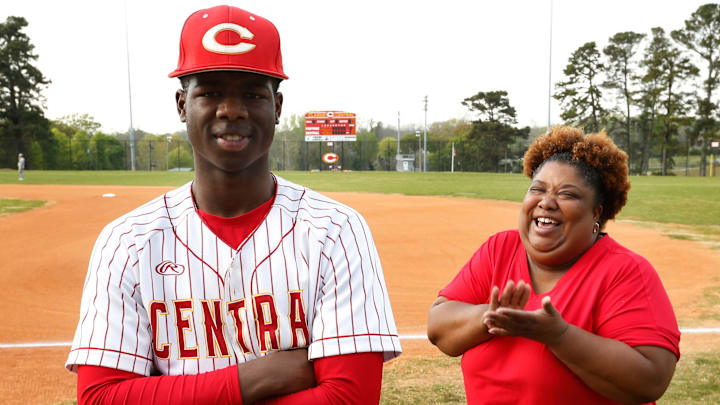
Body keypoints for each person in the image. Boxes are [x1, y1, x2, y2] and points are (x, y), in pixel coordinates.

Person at [65, 5, 401, 404]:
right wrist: (251, 379)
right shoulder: (127, 242)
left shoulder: (336, 229)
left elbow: (350, 398)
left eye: (252, 94)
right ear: (181, 105)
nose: (232, 110)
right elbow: (101, 397)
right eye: (209, 92)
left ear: (276, 108)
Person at [427, 126, 680, 405]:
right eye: (537, 189)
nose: (546, 202)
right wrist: (490, 315)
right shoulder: (500, 250)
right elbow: (439, 328)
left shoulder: (625, 272)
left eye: (567, 194)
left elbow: (651, 379)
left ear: (597, 212)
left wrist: (558, 335)